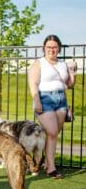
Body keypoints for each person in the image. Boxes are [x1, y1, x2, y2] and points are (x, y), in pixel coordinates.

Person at [28, 35, 76, 178]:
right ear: (44, 48)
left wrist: (73, 74)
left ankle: (48, 163)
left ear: (59, 48)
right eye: (49, 47)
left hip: (61, 99)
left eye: (54, 47)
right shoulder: (39, 63)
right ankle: (51, 168)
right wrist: (36, 100)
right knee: (53, 132)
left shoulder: (63, 64)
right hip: (45, 99)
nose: (51, 49)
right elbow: (33, 83)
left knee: (53, 135)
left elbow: (69, 85)